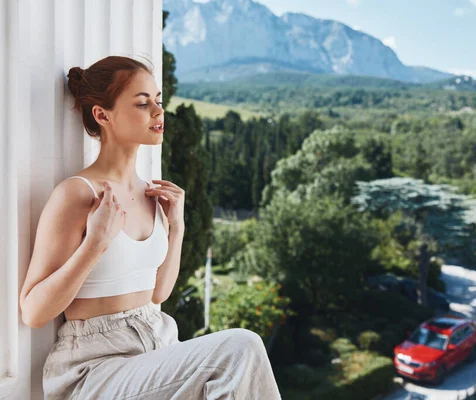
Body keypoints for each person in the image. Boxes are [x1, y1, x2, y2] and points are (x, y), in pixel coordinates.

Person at [18, 55, 282, 399]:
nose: (158, 112)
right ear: (102, 114)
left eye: (158, 101)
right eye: (143, 103)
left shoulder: (152, 193)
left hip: (156, 346)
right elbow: (34, 312)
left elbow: (157, 293)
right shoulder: (78, 194)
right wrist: (95, 242)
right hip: (97, 367)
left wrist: (177, 228)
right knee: (241, 347)